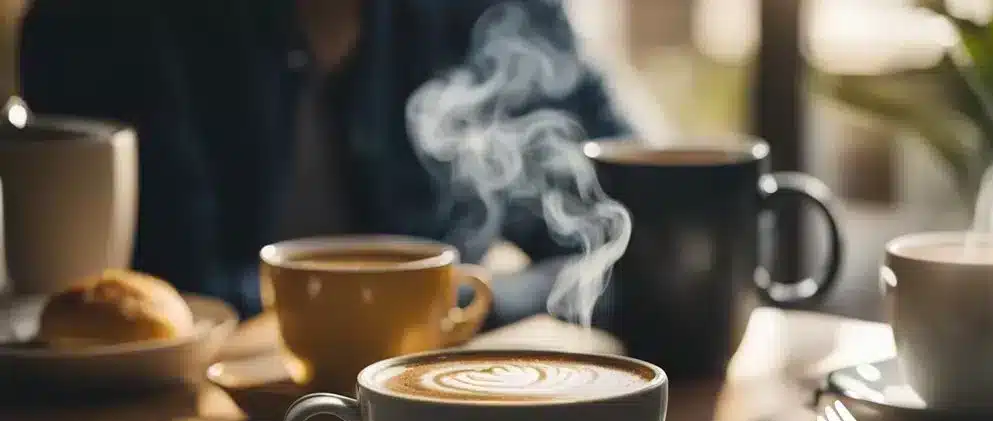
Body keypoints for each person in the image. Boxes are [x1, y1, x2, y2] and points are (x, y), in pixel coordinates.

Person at [19, 0, 633, 322]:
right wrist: (421, 303)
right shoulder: (105, 21)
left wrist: (473, 304)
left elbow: (636, 227)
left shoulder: (494, 14)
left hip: (430, 418)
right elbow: (170, 296)